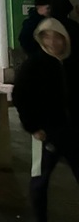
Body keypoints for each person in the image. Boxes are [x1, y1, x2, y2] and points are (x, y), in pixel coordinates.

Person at [13, 17, 79, 222]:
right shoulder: (34, 63)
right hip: (45, 132)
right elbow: (21, 96)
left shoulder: (73, 62)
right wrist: (33, 126)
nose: (52, 42)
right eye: (46, 37)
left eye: (56, 37)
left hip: (73, 131)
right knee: (40, 179)